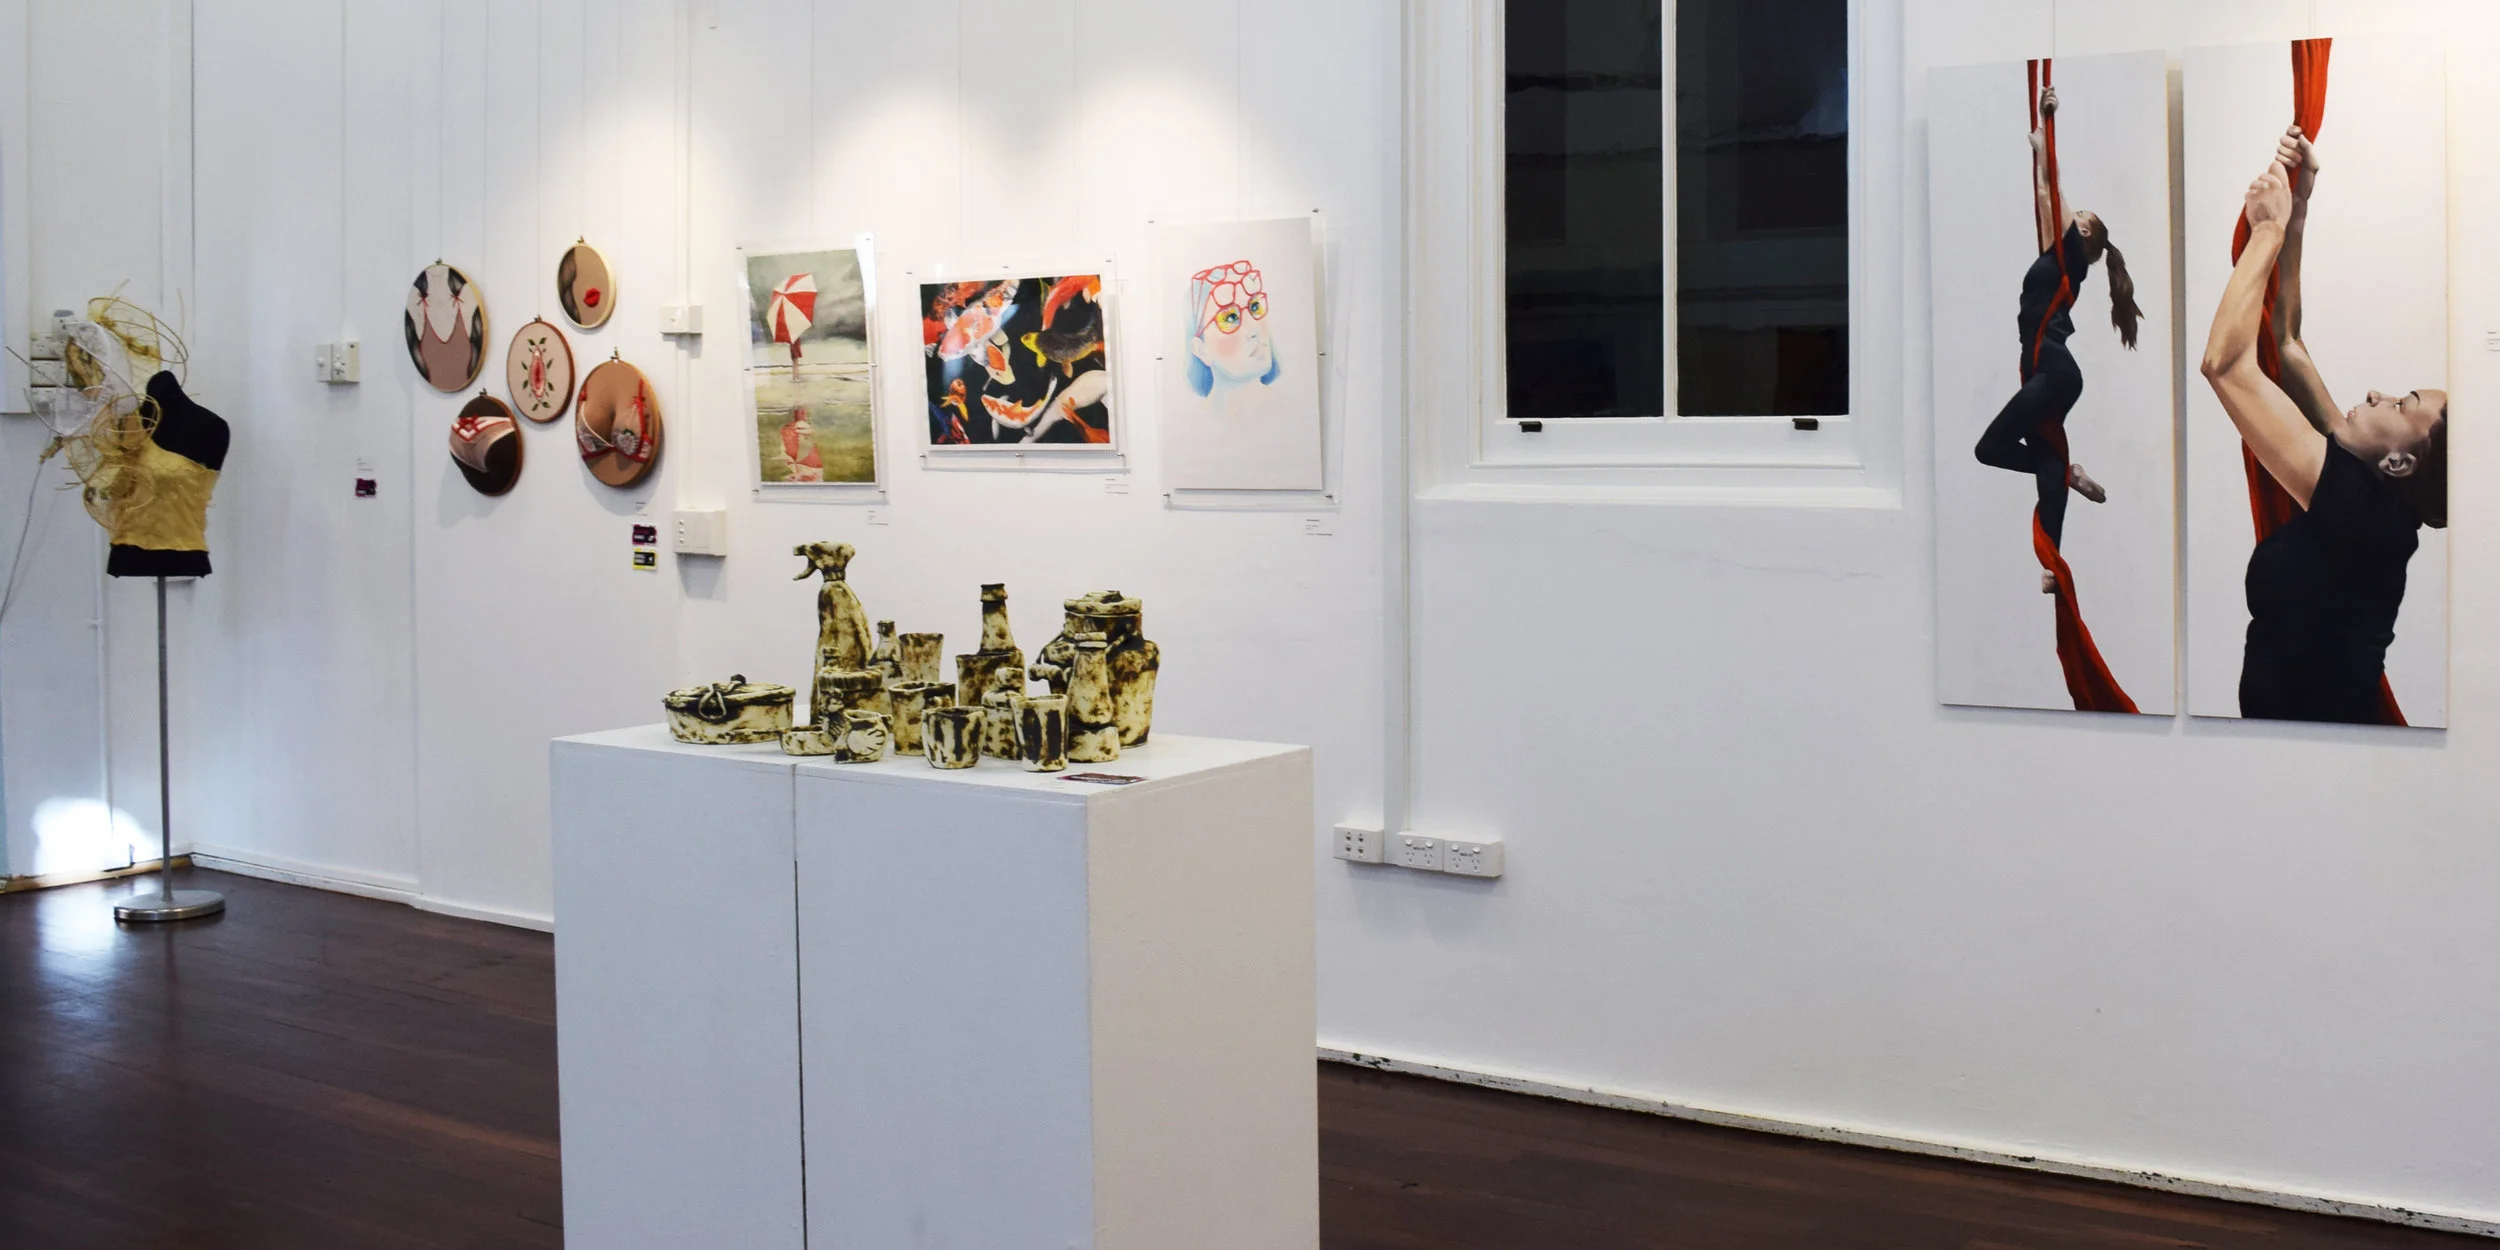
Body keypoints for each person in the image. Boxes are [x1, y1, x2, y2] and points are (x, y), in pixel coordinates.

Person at [2199, 126, 2447, 723]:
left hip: (2314, 752)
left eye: (2402, 404)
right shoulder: (2373, 498)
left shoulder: (2363, 515)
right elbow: (2286, 343)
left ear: (2399, 463)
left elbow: (2225, 366)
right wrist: (2302, 202)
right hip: (2305, 747)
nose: (2378, 393)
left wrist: (2267, 230)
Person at [1972, 84, 2144, 593]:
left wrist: (2049, 129)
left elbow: (2053, 187)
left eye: (2080, 217)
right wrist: (2038, 149)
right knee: (2041, 458)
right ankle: (2053, 562)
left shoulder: (2070, 256)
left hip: (2052, 371)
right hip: (2047, 371)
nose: (2073, 214)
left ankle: (2065, 481)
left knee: (1991, 448)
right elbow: (2046, 193)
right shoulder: (2059, 257)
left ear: (2083, 234)